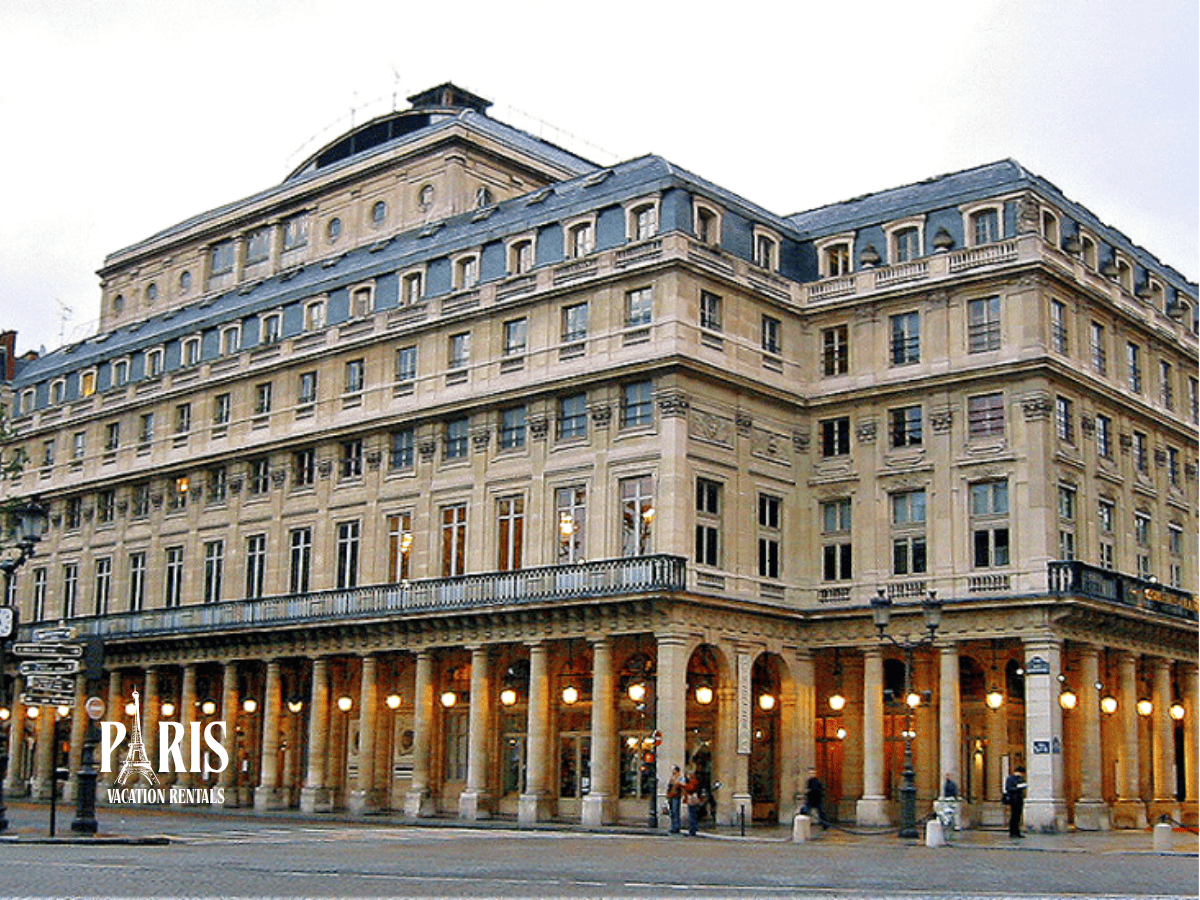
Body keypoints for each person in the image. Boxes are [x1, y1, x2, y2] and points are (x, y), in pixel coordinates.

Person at [1004, 766, 1027, 838]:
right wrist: (1017, 787)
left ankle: (1017, 832)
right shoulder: (1010, 778)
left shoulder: (1020, 779)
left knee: (1018, 817)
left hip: (1019, 799)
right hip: (1014, 799)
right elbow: (1009, 788)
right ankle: (1013, 832)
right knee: (1014, 816)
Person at [666, 765, 685, 834]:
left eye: (673, 770)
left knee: (675, 811)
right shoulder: (672, 778)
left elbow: (683, 785)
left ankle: (676, 827)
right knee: (672, 812)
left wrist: (676, 782)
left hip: (676, 796)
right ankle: (673, 826)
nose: (672, 772)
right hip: (671, 796)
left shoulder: (680, 778)